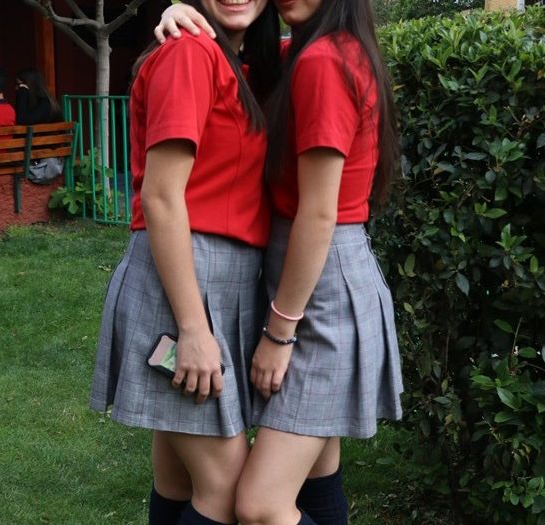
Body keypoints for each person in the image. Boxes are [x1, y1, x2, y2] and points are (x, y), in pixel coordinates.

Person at [155, 1, 404, 524]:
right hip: (313, 276)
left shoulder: (324, 61)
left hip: (318, 289)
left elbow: (319, 212)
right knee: (317, 471)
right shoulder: (310, 53)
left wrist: (279, 333)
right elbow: (234, 61)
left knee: (260, 505)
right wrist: (180, 11)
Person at [89, 1, 280, 525]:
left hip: (210, 281)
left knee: (177, 479)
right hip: (182, 290)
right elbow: (161, 197)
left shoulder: (235, 60)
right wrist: (193, 330)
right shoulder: (189, 54)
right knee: (224, 490)